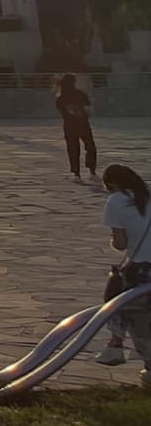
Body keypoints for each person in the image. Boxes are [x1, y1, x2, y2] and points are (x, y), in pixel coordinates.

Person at [94, 164, 151, 373]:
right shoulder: (146, 196)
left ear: (112, 184)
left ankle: (117, 346)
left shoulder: (117, 200)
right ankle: (114, 345)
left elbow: (120, 243)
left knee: (120, 304)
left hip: (141, 267)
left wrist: (113, 240)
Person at [57, 74, 98, 180]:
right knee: (90, 147)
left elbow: (67, 112)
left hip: (69, 127)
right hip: (83, 125)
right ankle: (92, 170)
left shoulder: (60, 99)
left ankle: (77, 173)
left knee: (73, 149)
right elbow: (88, 110)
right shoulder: (81, 94)